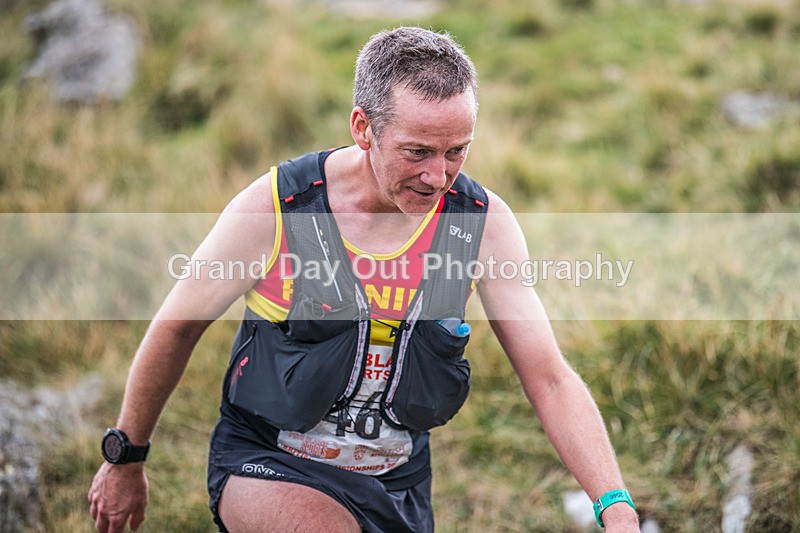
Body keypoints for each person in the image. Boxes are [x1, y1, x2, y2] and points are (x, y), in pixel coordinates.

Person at [88, 27, 640, 532]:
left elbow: (549, 378)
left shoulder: (481, 225)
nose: (437, 176)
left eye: (457, 152)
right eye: (417, 152)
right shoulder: (277, 207)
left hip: (398, 481)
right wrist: (125, 457)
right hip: (268, 462)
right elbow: (177, 326)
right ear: (363, 128)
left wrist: (614, 506)